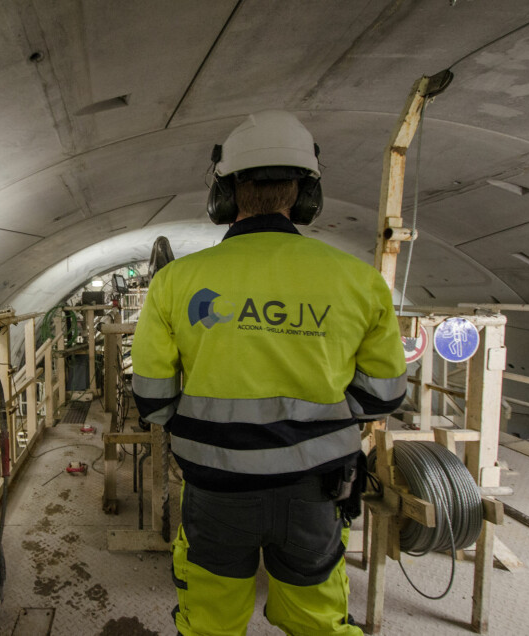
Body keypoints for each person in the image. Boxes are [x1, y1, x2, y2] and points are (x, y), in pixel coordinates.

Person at [131, 110, 407, 636]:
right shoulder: (360, 282)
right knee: (319, 622)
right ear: (306, 195)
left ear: (225, 195)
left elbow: (153, 401)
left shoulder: (176, 283)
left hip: (215, 490)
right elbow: (383, 397)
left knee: (211, 622)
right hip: (317, 490)